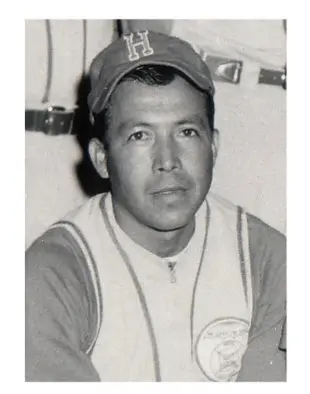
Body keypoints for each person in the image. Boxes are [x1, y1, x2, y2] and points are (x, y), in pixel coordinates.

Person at [25, 30, 286, 382]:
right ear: (102, 159)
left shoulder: (267, 260)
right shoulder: (51, 276)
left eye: (186, 132)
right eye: (140, 135)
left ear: (214, 146)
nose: (167, 161)